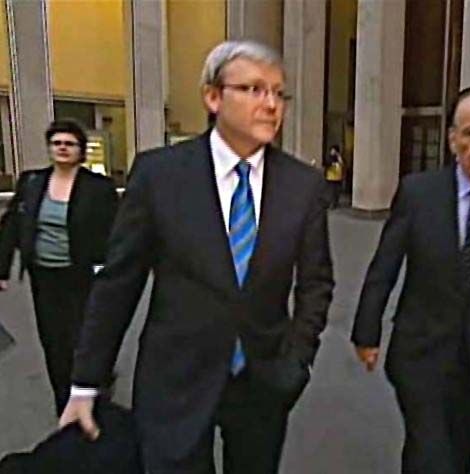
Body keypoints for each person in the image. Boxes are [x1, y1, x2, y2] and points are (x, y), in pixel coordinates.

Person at [59, 40, 334, 474]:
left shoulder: (303, 186)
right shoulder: (159, 175)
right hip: (175, 378)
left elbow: (316, 282)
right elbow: (118, 283)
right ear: (212, 96)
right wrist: (86, 382)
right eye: (254, 89)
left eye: (279, 93)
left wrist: (296, 361)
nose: (271, 105)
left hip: (262, 380)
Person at [351, 85, 470, 474]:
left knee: (460, 456)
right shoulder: (419, 193)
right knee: (431, 456)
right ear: (453, 139)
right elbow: (385, 266)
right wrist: (366, 330)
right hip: (421, 356)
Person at [0, 120, 118, 416]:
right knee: (54, 343)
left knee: (84, 339)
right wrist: (2, 269)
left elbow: (115, 231)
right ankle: (63, 404)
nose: (62, 148)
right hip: (44, 276)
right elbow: (13, 225)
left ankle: (94, 396)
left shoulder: (97, 188)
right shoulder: (32, 182)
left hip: (81, 275)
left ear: (80, 151)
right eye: (57, 143)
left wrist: (109, 268)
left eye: (69, 144)